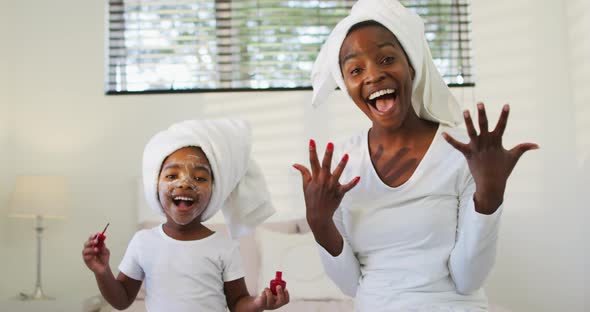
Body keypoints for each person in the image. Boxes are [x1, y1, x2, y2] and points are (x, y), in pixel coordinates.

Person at [292, 0, 538, 311]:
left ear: (411, 65)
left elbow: (468, 279)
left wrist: (489, 197)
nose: (373, 75)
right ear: (346, 84)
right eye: (356, 69)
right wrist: (319, 222)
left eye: (386, 59)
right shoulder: (340, 164)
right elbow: (351, 286)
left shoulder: (462, 151)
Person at [83, 119, 289, 311]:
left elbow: (237, 303)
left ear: (214, 192)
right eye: (172, 176)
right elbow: (122, 300)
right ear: (155, 186)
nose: (185, 183)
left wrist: (259, 303)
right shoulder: (143, 241)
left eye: (199, 178)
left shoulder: (224, 246)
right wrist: (102, 272)